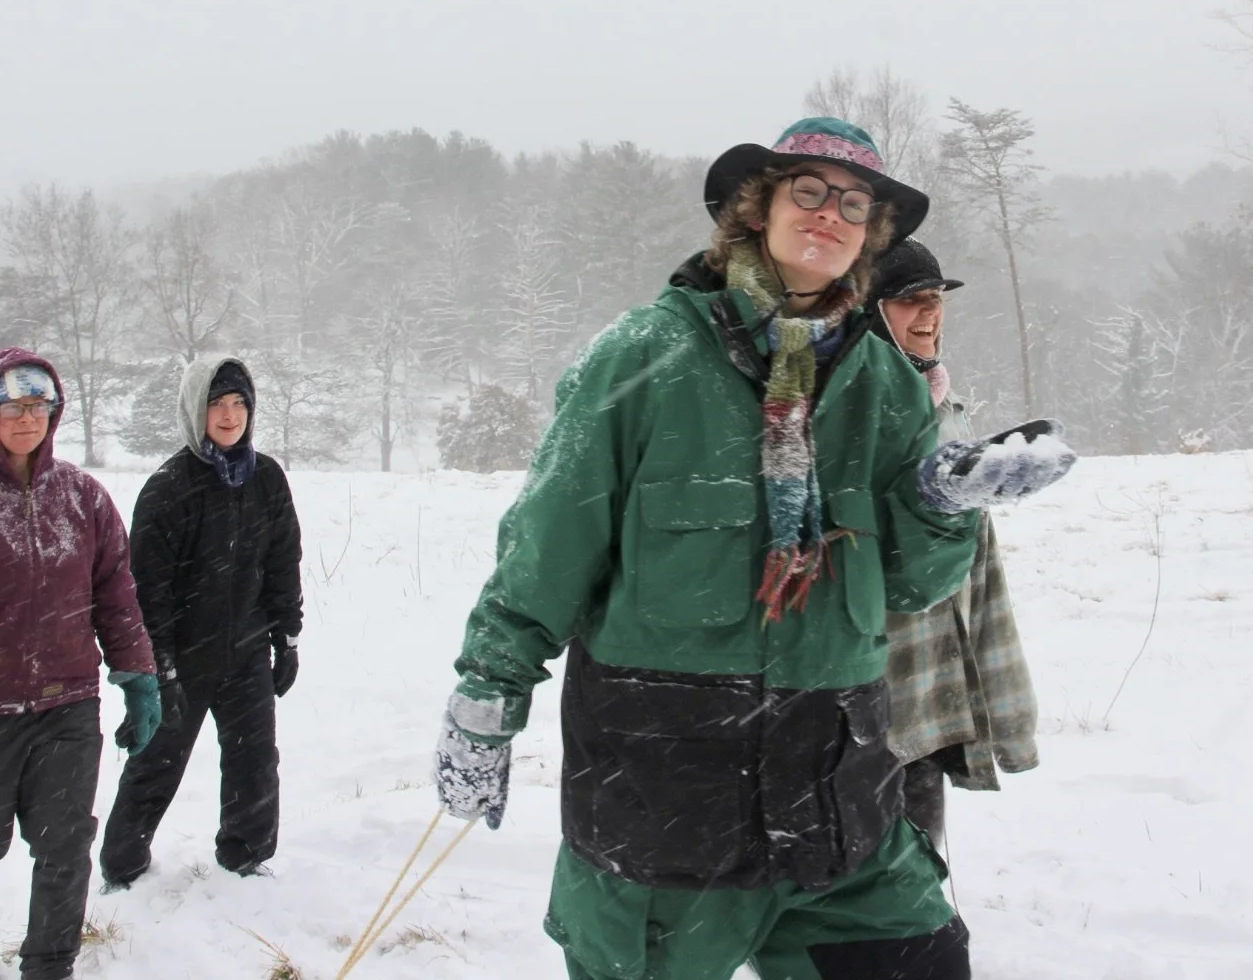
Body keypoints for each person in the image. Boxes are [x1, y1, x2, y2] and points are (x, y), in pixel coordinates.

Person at [433, 119, 1077, 980]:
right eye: (806, 190)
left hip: (838, 807)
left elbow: (911, 584)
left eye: (855, 203)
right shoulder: (643, 357)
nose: (831, 213)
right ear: (755, 210)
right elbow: (548, 544)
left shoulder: (886, 386)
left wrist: (942, 502)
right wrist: (488, 691)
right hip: (665, 807)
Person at [0, 349, 159, 980]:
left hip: (69, 706)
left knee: (66, 847)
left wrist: (138, 675)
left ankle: (50, 966)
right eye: (13, 408)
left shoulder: (84, 497)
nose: (27, 420)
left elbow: (116, 596)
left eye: (39, 407)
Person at [99, 354, 304, 887]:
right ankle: (123, 868)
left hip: (247, 651)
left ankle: (245, 855)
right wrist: (158, 665)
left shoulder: (267, 479)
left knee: (254, 761)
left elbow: (283, 560)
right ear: (196, 409)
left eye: (239, 403)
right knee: (155, 763)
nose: (230, 415)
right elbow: (147, 588)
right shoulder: (170, 487)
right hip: (182, 659)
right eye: (217, 403)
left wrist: (287, 636)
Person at [870, 239, 1040, 845]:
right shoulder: (849, 411)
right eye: (910, 301)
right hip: (869, 686)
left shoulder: (943, 399)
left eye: (936, 299)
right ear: (866, 309)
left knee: (919, 862)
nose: (930, 314)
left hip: (931, 676)